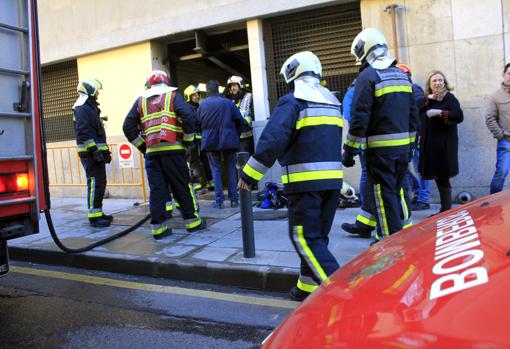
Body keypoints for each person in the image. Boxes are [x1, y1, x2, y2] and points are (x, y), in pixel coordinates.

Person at [238, 51, 343, 301]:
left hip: (304, 183)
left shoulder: (293, 102)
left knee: (304, 237)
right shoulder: (332, 102)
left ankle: (346, 292)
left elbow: (273, 138)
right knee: (317, 238)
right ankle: (306, 288)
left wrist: (250, 174)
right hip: (332, 183)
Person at [342, 28, 419, 244]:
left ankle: (388, 241)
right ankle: (404, 231)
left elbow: (359, 118)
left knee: (383, 196)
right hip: (403, 150)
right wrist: (412, 145)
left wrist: (349, 150)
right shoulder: (401, 75)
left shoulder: (368, 77)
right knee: (398, 190)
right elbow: (413, 116)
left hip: (379, 151)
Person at [123, 70, 206, 239]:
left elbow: (127, 127)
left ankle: (159, 229)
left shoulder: (141, 101)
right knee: (182, 186)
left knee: (157, 191)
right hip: (173, 152)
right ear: (167, 83)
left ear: (148, 85)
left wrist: (143, 147)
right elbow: (189, 118)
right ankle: (192, 222)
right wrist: (188, 141)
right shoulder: (173, 96)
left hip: (152, 155)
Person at [419, 70, 463, 214]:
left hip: (445, 146)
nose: (438, 83)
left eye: (440, 80)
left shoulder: (450, 98)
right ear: (430, 85)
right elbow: (415, 108)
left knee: (443, 178)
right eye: (434, 81)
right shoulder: (427, 99)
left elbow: (458, 115)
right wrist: (428, 99)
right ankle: (445, 209)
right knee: (438, 178)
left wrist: (440, 112)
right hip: (430, 146)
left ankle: (446, 211)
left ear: (444, 83)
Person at [198, 80, 246, 208]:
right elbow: (241, 121)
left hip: (210, 142)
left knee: (216, 170)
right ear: (218, 89)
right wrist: (236, 135)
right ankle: (234, 199)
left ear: (207, 90)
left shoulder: (203, 105)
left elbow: (198, 123)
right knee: (231, 169)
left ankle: (219, 201)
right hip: (229, 141)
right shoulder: (228, 103)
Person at [73, 79, 113, 228]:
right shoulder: (82, 108)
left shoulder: (90, 108)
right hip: (90, 154)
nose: (97, 94)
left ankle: (98, 212)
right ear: (89, 91)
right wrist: (94, 150)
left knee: (100, 183)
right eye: (96, 91)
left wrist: (105, 152)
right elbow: (83, 132)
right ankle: (93, 217)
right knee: (94, 183)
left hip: (95, 153)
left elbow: (97, 134)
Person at [396, 63, 430, 210]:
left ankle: (423, 199)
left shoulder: (413, 89)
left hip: (416, 135)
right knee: (406, 168)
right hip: (406, 135)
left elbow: (418, 102)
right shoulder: (400, 91)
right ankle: (418, 192)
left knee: (419, 167)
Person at [183, 84, 214, 193]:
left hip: (202, 139)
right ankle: (196, 184)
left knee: (206, 160)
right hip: (192, 141)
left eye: (197, 94)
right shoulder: (186, 109)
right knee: (194, 162)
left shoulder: (199, 107)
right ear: (188, 97)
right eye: (194, 95)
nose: (197, 96)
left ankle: (211, 182)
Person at [486, 63, 510, 194]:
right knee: (501, 174)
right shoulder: (496, 96)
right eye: (509, 73)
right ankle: (492, 205)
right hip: (507, 142)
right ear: (504, 75)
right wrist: (501, 135)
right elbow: (489, 118)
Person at [225, 76, 254, 154]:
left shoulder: (249, 97)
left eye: (234, 85)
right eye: (230, 86)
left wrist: (243, 122)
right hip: (233, 138)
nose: (232, 88)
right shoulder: (230, 100)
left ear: (240, 85)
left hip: (246, 138)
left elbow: (254, 114)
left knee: (244, 162)